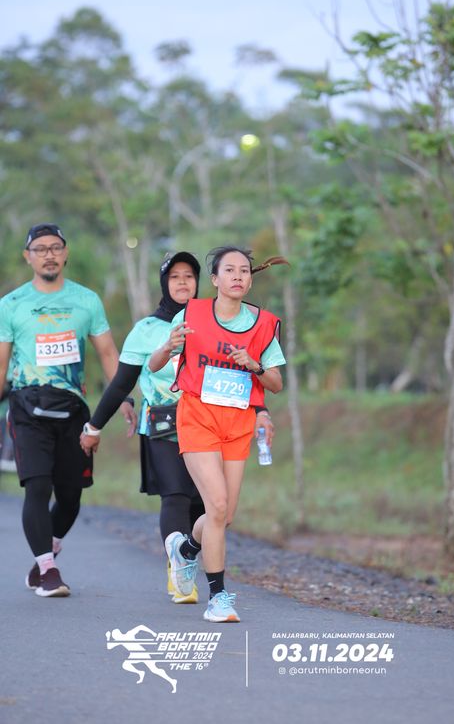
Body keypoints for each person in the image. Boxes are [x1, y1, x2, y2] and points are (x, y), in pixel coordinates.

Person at [80, 251, 275, 604]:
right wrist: (94, 426)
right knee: (176, 495)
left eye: (189, 276)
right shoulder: (146, 330)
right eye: (175, 277)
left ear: (200, 281)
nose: (183, 282)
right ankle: (188, 579)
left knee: (212, 507)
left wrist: (260, 411)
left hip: (222, 421)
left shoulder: (219, 319)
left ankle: (187, 553)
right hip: (166, 422)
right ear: (164, 283)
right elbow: (122, 382)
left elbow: (238, 376)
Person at [149, 245, 286, 622]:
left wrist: (255, 365)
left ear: (251, 280)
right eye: (230, 270)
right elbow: (155, 364)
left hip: (237, 425)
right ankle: (218, 597)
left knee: (223, 516)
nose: (238, 276)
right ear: (215, 279)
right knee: (218, 505)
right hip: (197, 417)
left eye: (244, 271)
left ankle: (186, 551)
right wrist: (169, 345)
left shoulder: (263, 325)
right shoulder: (192, 314)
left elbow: (276, 383)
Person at [0, 223, 135, 598]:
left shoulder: (86, 300)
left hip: (73, 408)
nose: (49, 254)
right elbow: (1, 365)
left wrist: (123, 398)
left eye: (55, 247)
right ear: (28, 257)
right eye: (40, 249)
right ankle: (48, 570)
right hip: (27, 407)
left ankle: (46, 555)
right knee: (37, 485)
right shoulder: (11, 304)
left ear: (65, 253)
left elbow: (108, 353)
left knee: (71, 495)